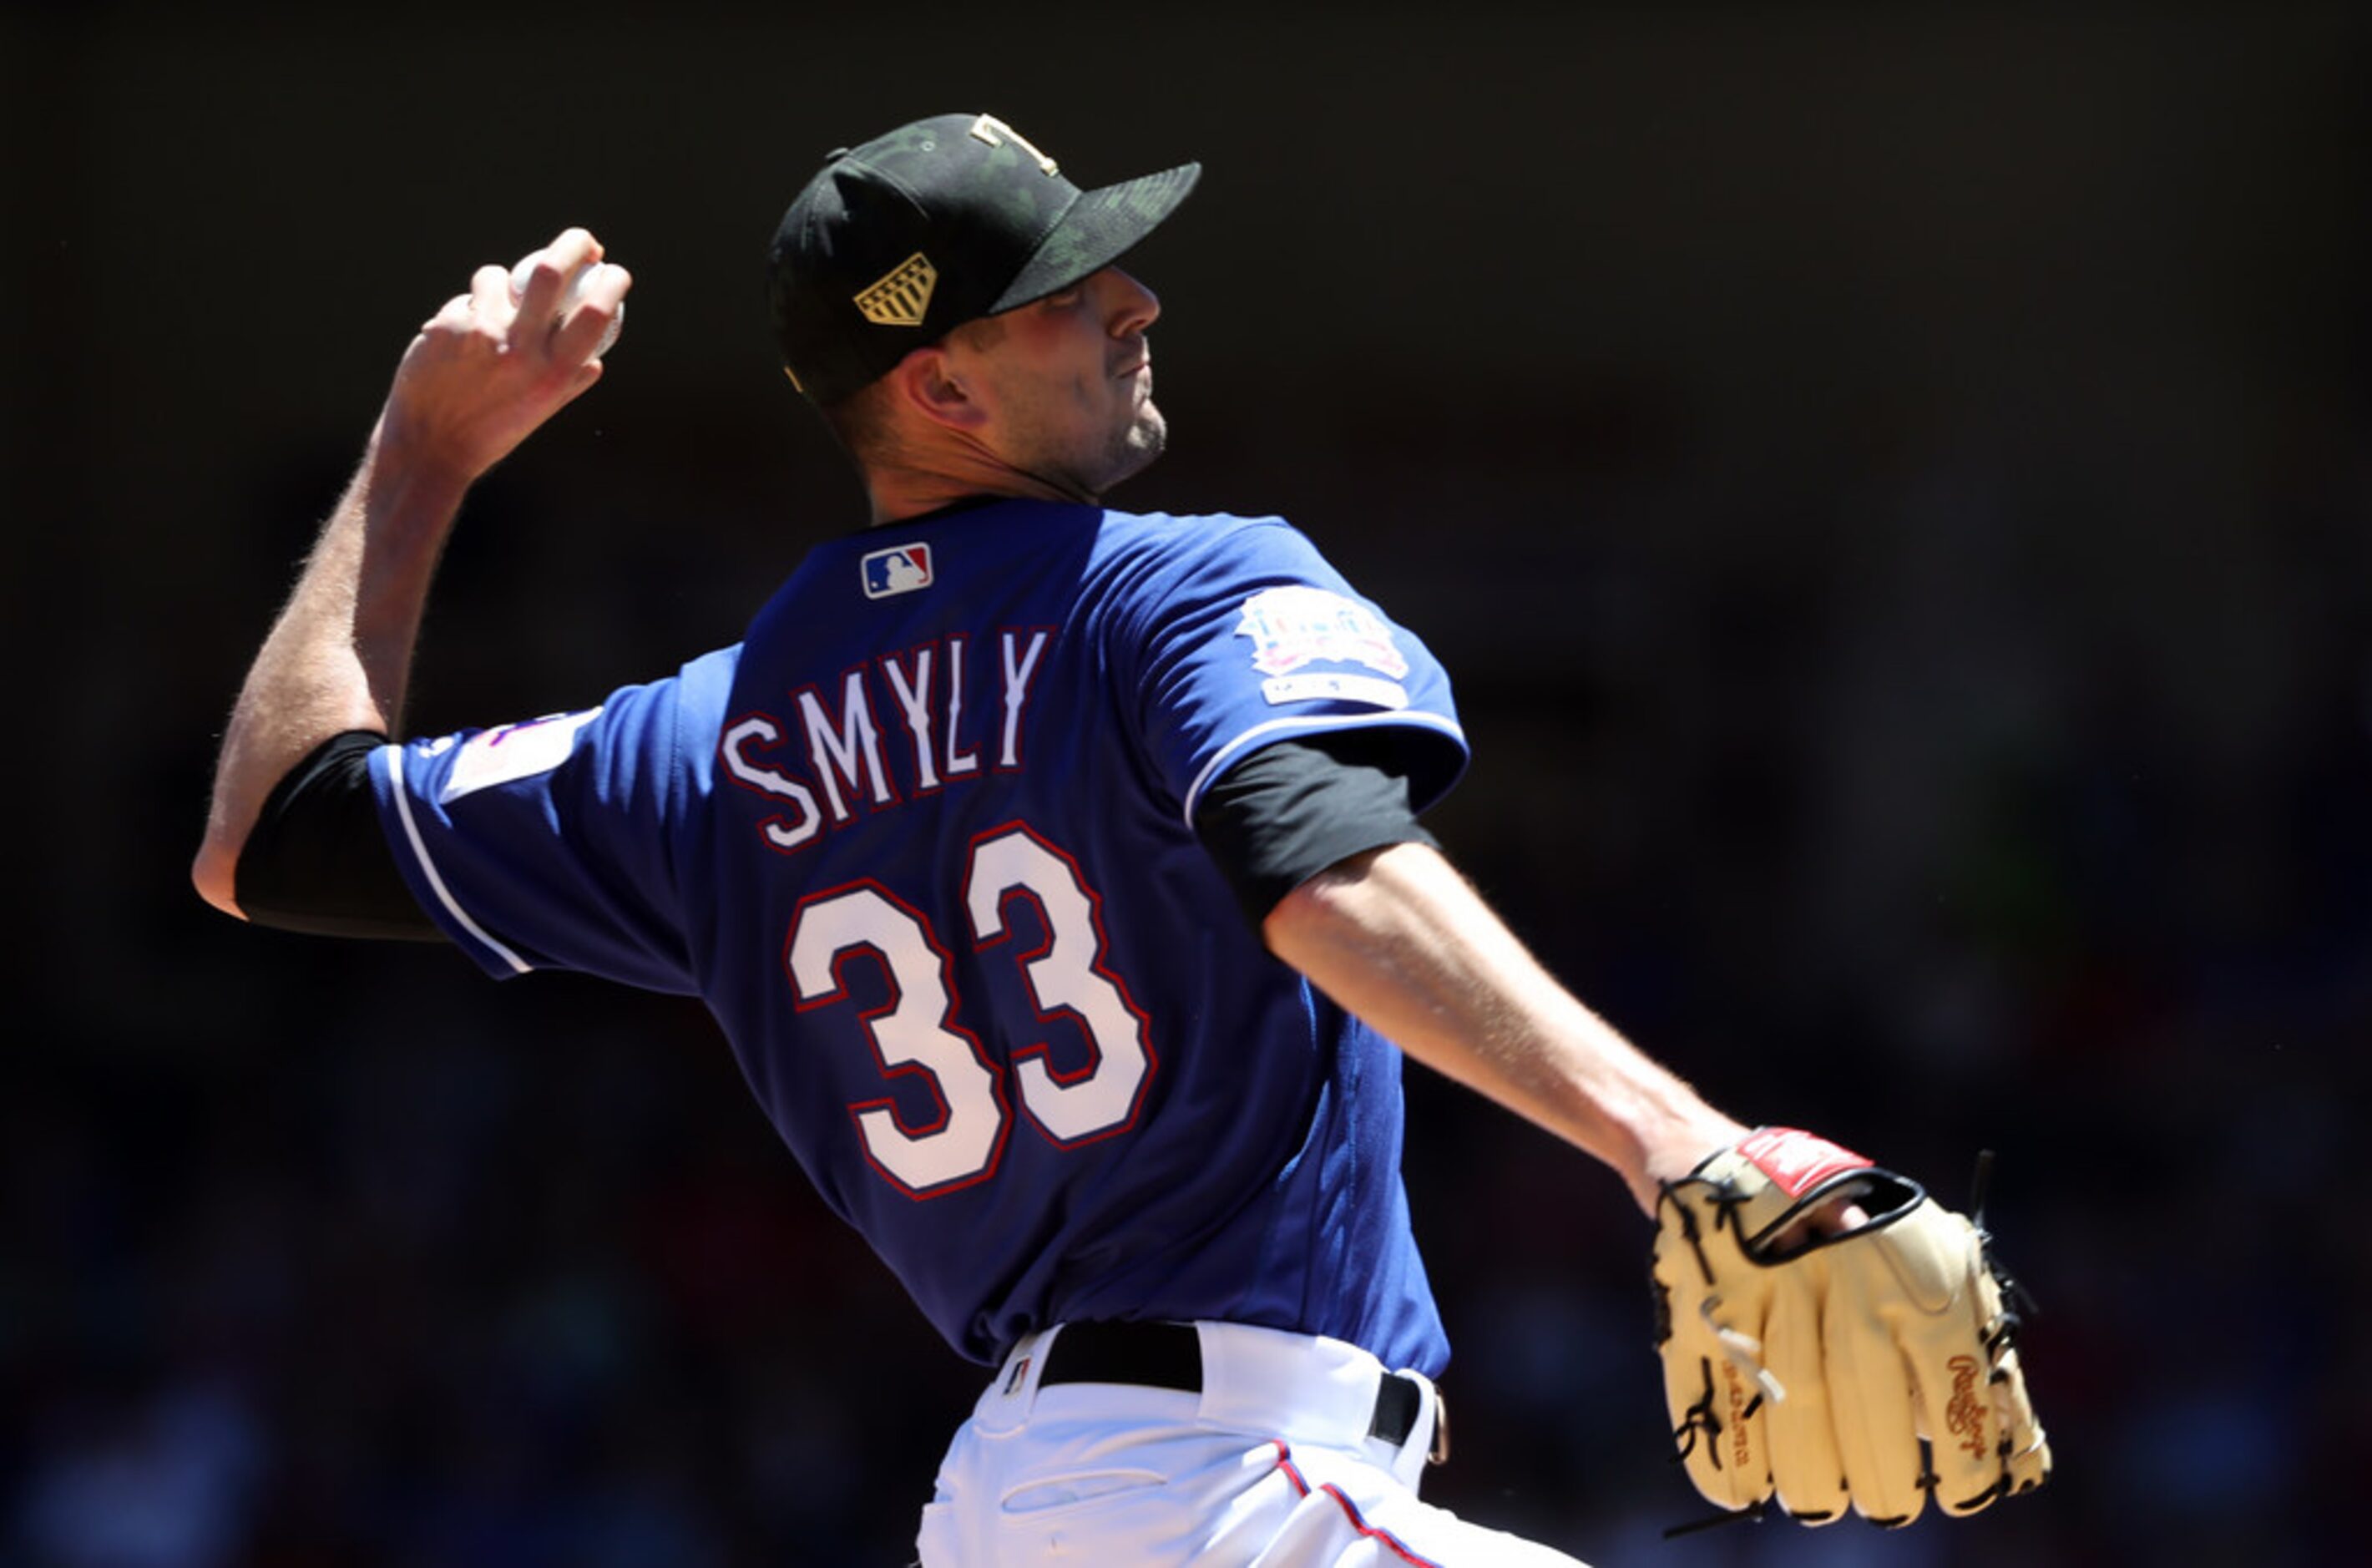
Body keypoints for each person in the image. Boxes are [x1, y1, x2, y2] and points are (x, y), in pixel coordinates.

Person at [190, 113, 1911, 1565]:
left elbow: (272, 838)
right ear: (937, 385)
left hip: (1029, 1502)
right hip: (1227, 1487)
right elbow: (1312, 861)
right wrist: (1676, 1143)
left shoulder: (703, 744)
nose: (1134, 301)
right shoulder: (1165, 593)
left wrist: (416, 464)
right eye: (1067, 294)